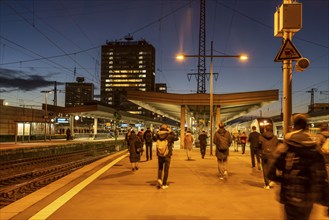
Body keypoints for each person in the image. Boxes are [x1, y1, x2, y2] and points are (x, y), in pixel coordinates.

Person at [269, 114, 329, 220]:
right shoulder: (315, 147)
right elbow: (322, 175)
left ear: (294, 126)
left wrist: (282, 179)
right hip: (308, 196)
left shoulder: (286, 146)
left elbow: (272, 172)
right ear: (306, 126)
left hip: (290, 194)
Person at [156, 124, 178, 189]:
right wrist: (171, 131)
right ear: (167, 128)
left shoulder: (158, 135)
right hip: (167, 154)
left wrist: (158, 131)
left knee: (160, 168)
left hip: (160, 154)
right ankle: (164, 184)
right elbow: (176, 138)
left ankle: (159, 179)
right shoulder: (169, 136)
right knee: (166, 170)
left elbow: (154, 138)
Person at [258, 124, 279, 189]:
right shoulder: (275, 137)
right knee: (272, 168)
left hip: (265, 155)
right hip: (273, 155)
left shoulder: (261, 136)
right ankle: (272, 180)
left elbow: (259, 146)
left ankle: (267, 184)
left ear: (265, 129)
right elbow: (277, 146)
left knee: (265, 169)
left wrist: (260, 153)